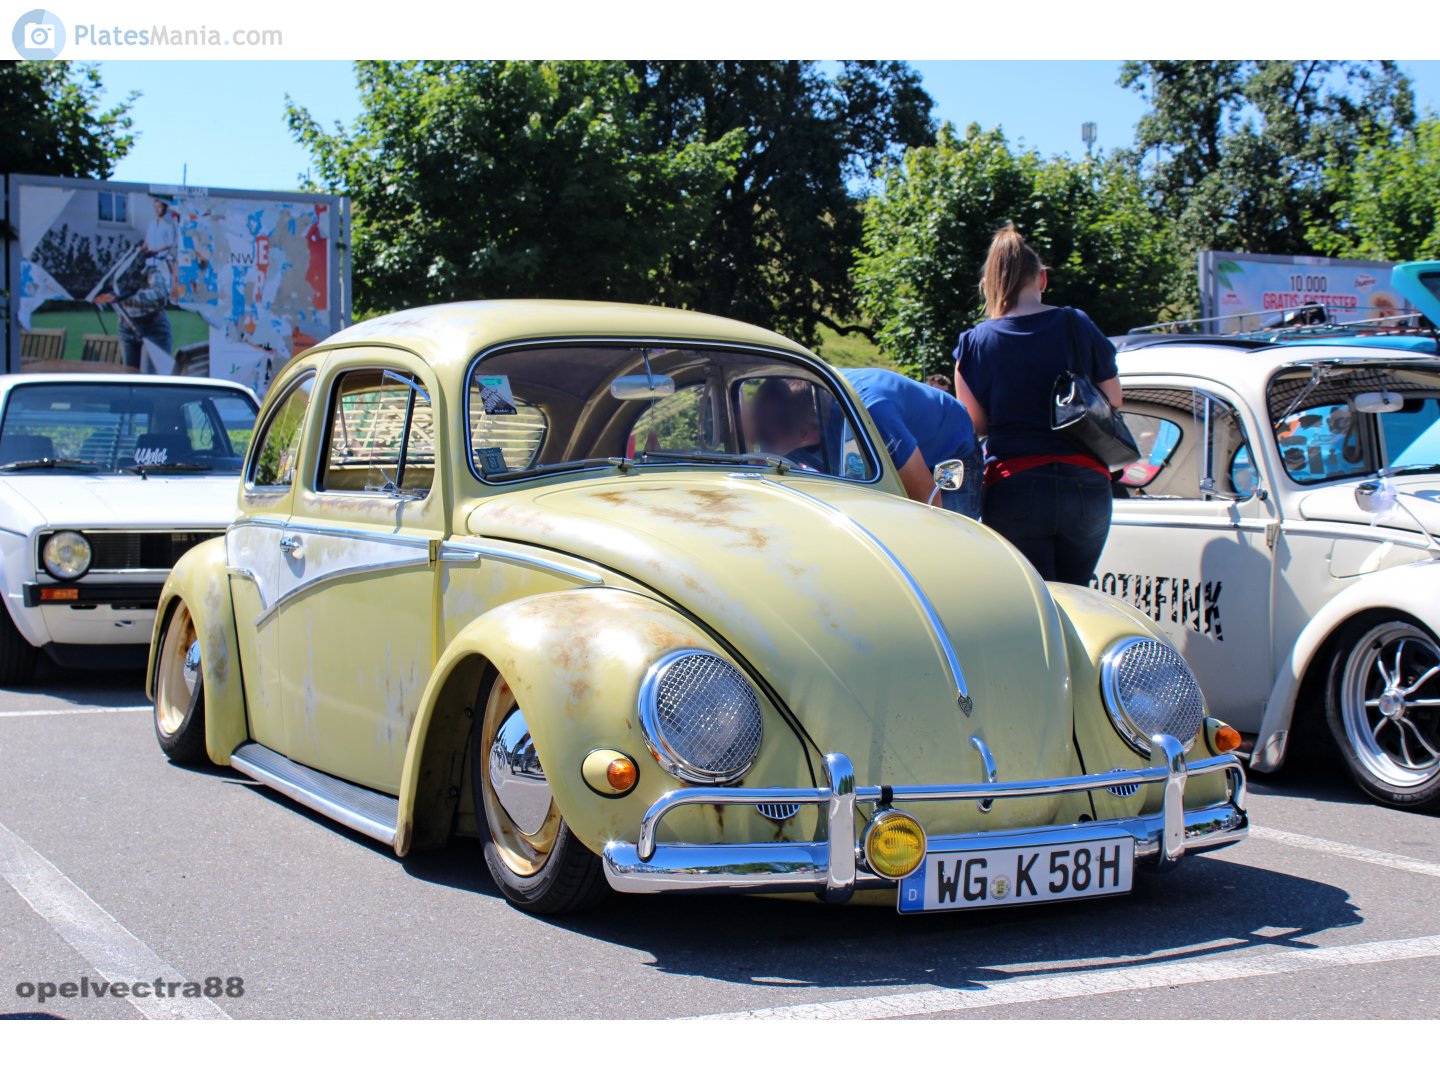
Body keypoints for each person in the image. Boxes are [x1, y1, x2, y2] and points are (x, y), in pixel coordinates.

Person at [952, 227, 1121, 584]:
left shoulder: (974, 342)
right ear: (1042, 278)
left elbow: (975, 425)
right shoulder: (1077, 323)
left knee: (1035, 600)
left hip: (1015, 483)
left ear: (988, 284)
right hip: (1087, 483)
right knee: (1079, 596)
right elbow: (1113, 400)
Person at [745, 372, 981, 519]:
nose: (755, 442)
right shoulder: (797, 420)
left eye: (763, 436)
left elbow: (928, 502)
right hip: (899, 445)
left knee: (949, 538)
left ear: (803, 435)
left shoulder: (870, 417)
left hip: (949, 449)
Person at [94, 256, 174, 371]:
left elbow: (160, 296)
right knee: (130, 376)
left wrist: (122, 297)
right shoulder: (111, 270)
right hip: (126, 326)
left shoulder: (149, 268)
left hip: (154, 328)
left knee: (150, 378)